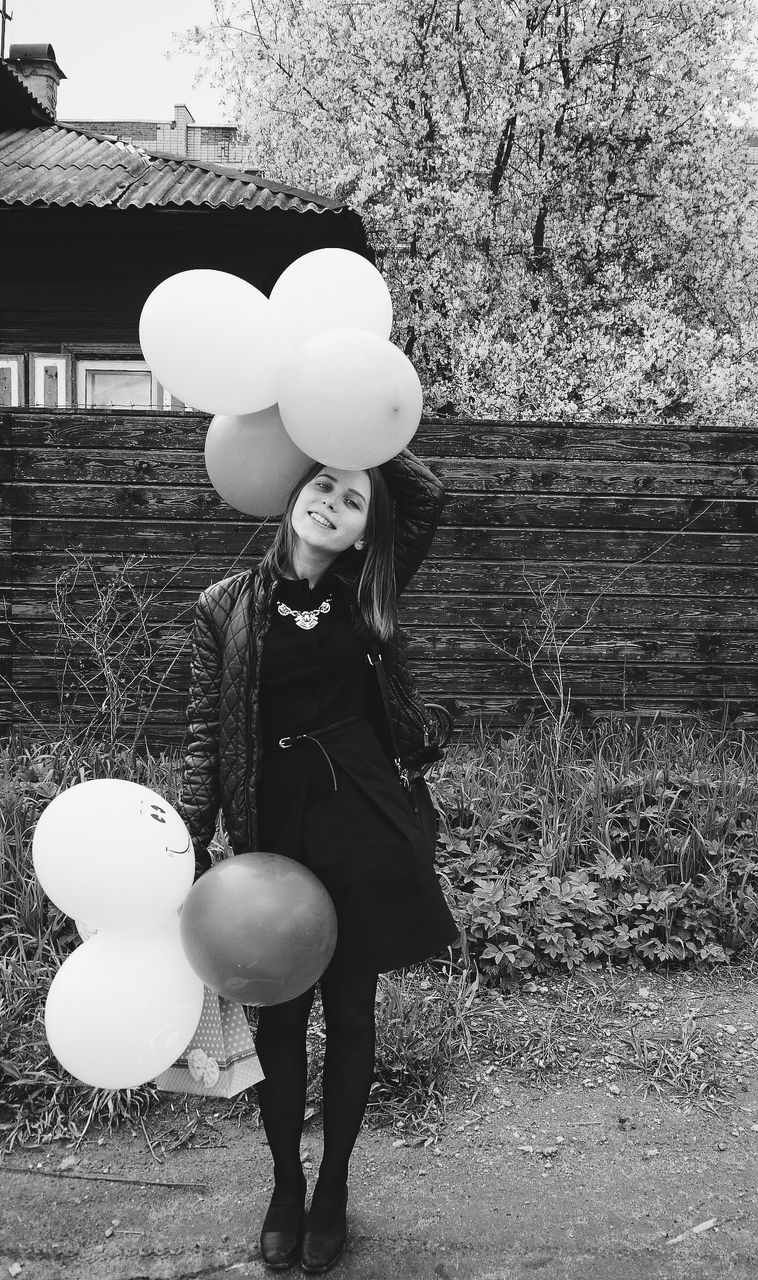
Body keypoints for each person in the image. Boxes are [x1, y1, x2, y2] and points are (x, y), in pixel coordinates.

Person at [179, 449, 460, 1273]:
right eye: (324, 484)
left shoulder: (369, 589)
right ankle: (283, 1185)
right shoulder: (223, 605)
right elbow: (205, 733)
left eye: (353, 499)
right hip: (274, 824)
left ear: (366, 529)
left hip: (363, 816)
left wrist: (351, 429)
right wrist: (191, 840)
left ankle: (333, 1184)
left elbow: (427, 494)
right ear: (294, 489)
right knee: (282, 1014)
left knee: (351, 1011)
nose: (334, 502)